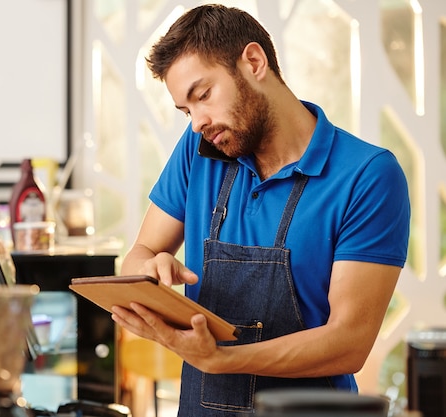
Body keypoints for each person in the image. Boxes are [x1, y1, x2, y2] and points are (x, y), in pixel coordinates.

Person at [112, 4, 411, 416]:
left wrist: (222, 360)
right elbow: (140, 252)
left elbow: (348, 343)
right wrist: (148, 273)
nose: (197, 121)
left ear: (254, 62)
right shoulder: (198, 151)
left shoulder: (367, 176)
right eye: (186, 110)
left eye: (203, 95)